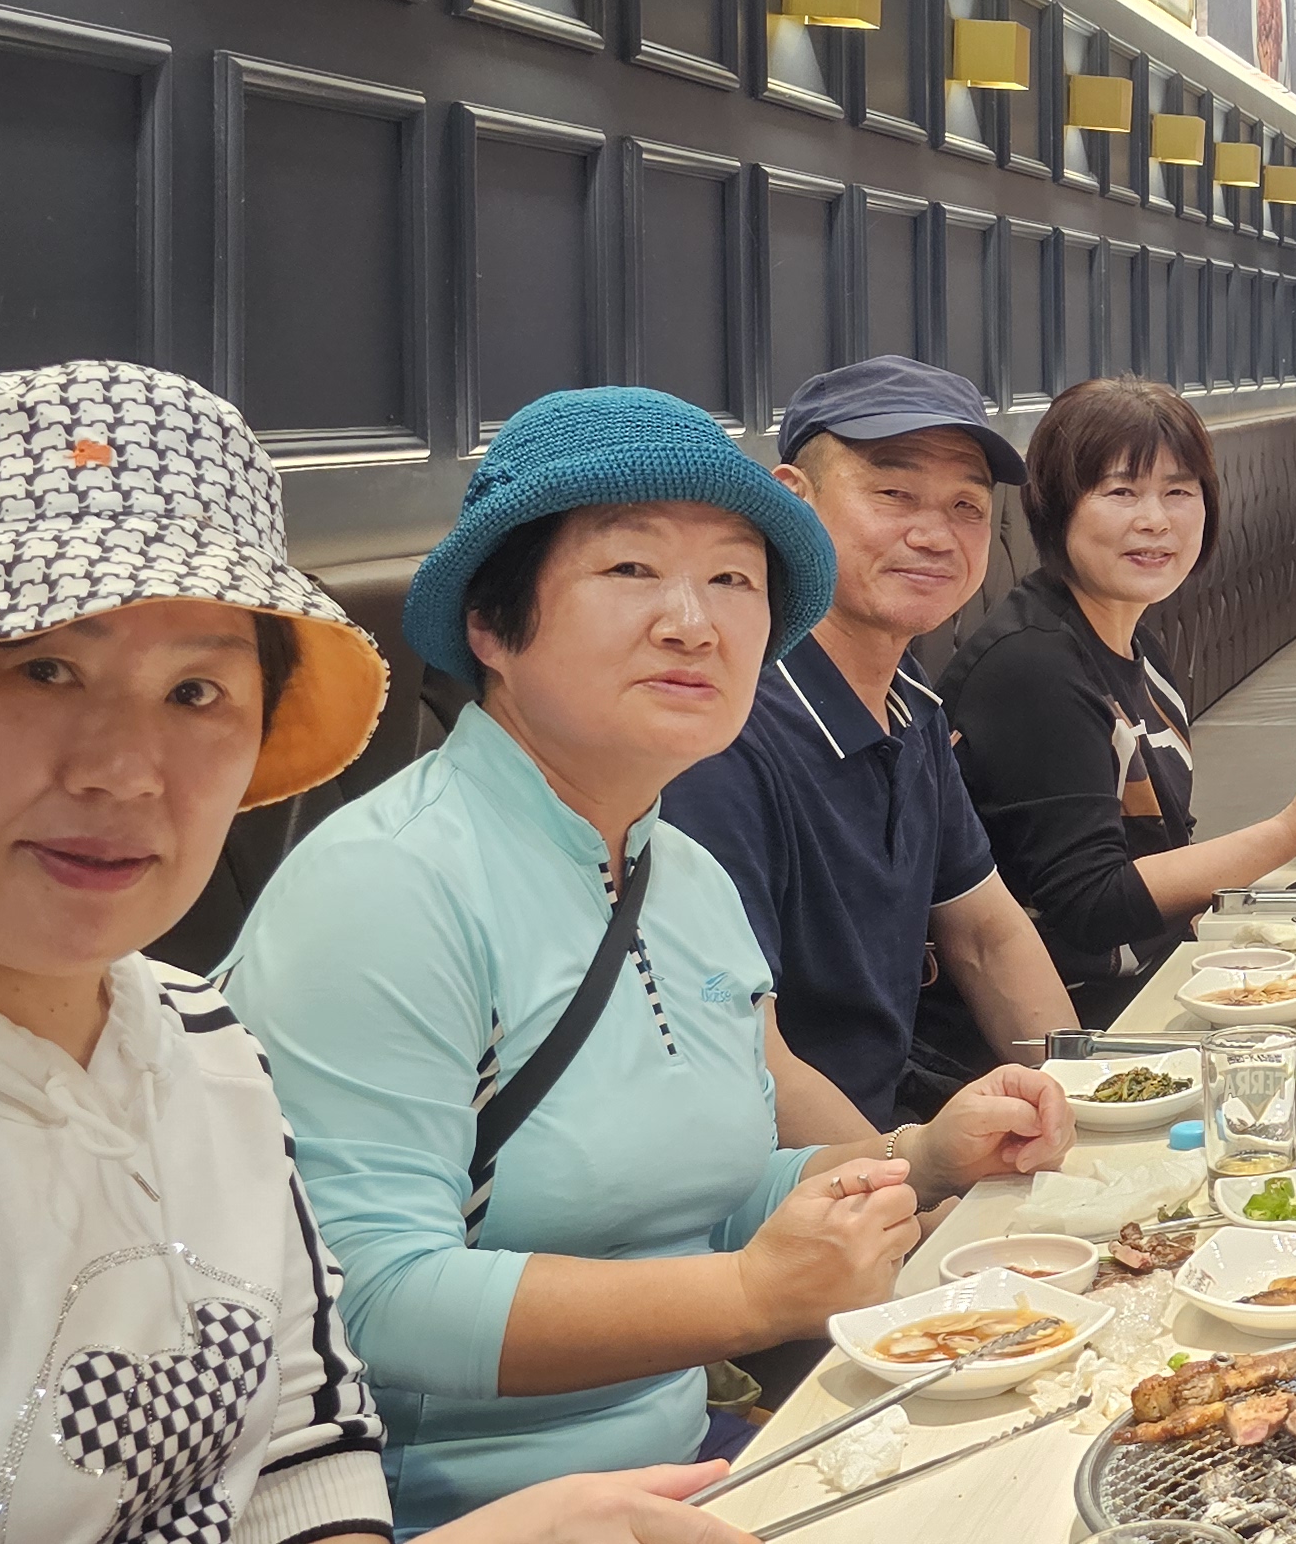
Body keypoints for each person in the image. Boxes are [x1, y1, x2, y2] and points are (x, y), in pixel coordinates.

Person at [0, 361, 760, 1544]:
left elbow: (301, 1447)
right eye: (45, 668)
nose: (123, 769)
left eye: (196, 689)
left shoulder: (197, 1038)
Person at [224, 387, 1075, 1528]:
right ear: (492, 625)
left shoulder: (683, 875)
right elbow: (366, 1301)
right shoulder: (388, 883)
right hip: (453, 1513)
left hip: (685, 1465)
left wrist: (919, 1158)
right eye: (630, 569)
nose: (693, 622)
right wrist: (749, 1295)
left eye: (732, 579)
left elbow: (700, 1207)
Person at [662, 357, 1080, 1126]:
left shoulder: (911, 703)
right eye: (893, 494)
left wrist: (1086, 1100)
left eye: (966, 505)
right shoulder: (723, 734)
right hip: (782, 1175)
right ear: (793, 501)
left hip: (884, 1140)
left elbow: (986, 935)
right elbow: (739, 1052)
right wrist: (906, 1178)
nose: (935, 534)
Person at [936, 378, 1296, 1028]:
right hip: (1083, 1022)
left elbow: (1162, 843)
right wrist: (1294, 829)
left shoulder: (1134, 639)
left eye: (1178, 491)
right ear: (1056, 507)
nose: (1155, 519)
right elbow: (1091, 906)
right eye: (1121, 492)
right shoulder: (1033, 667)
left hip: (1154, 975)